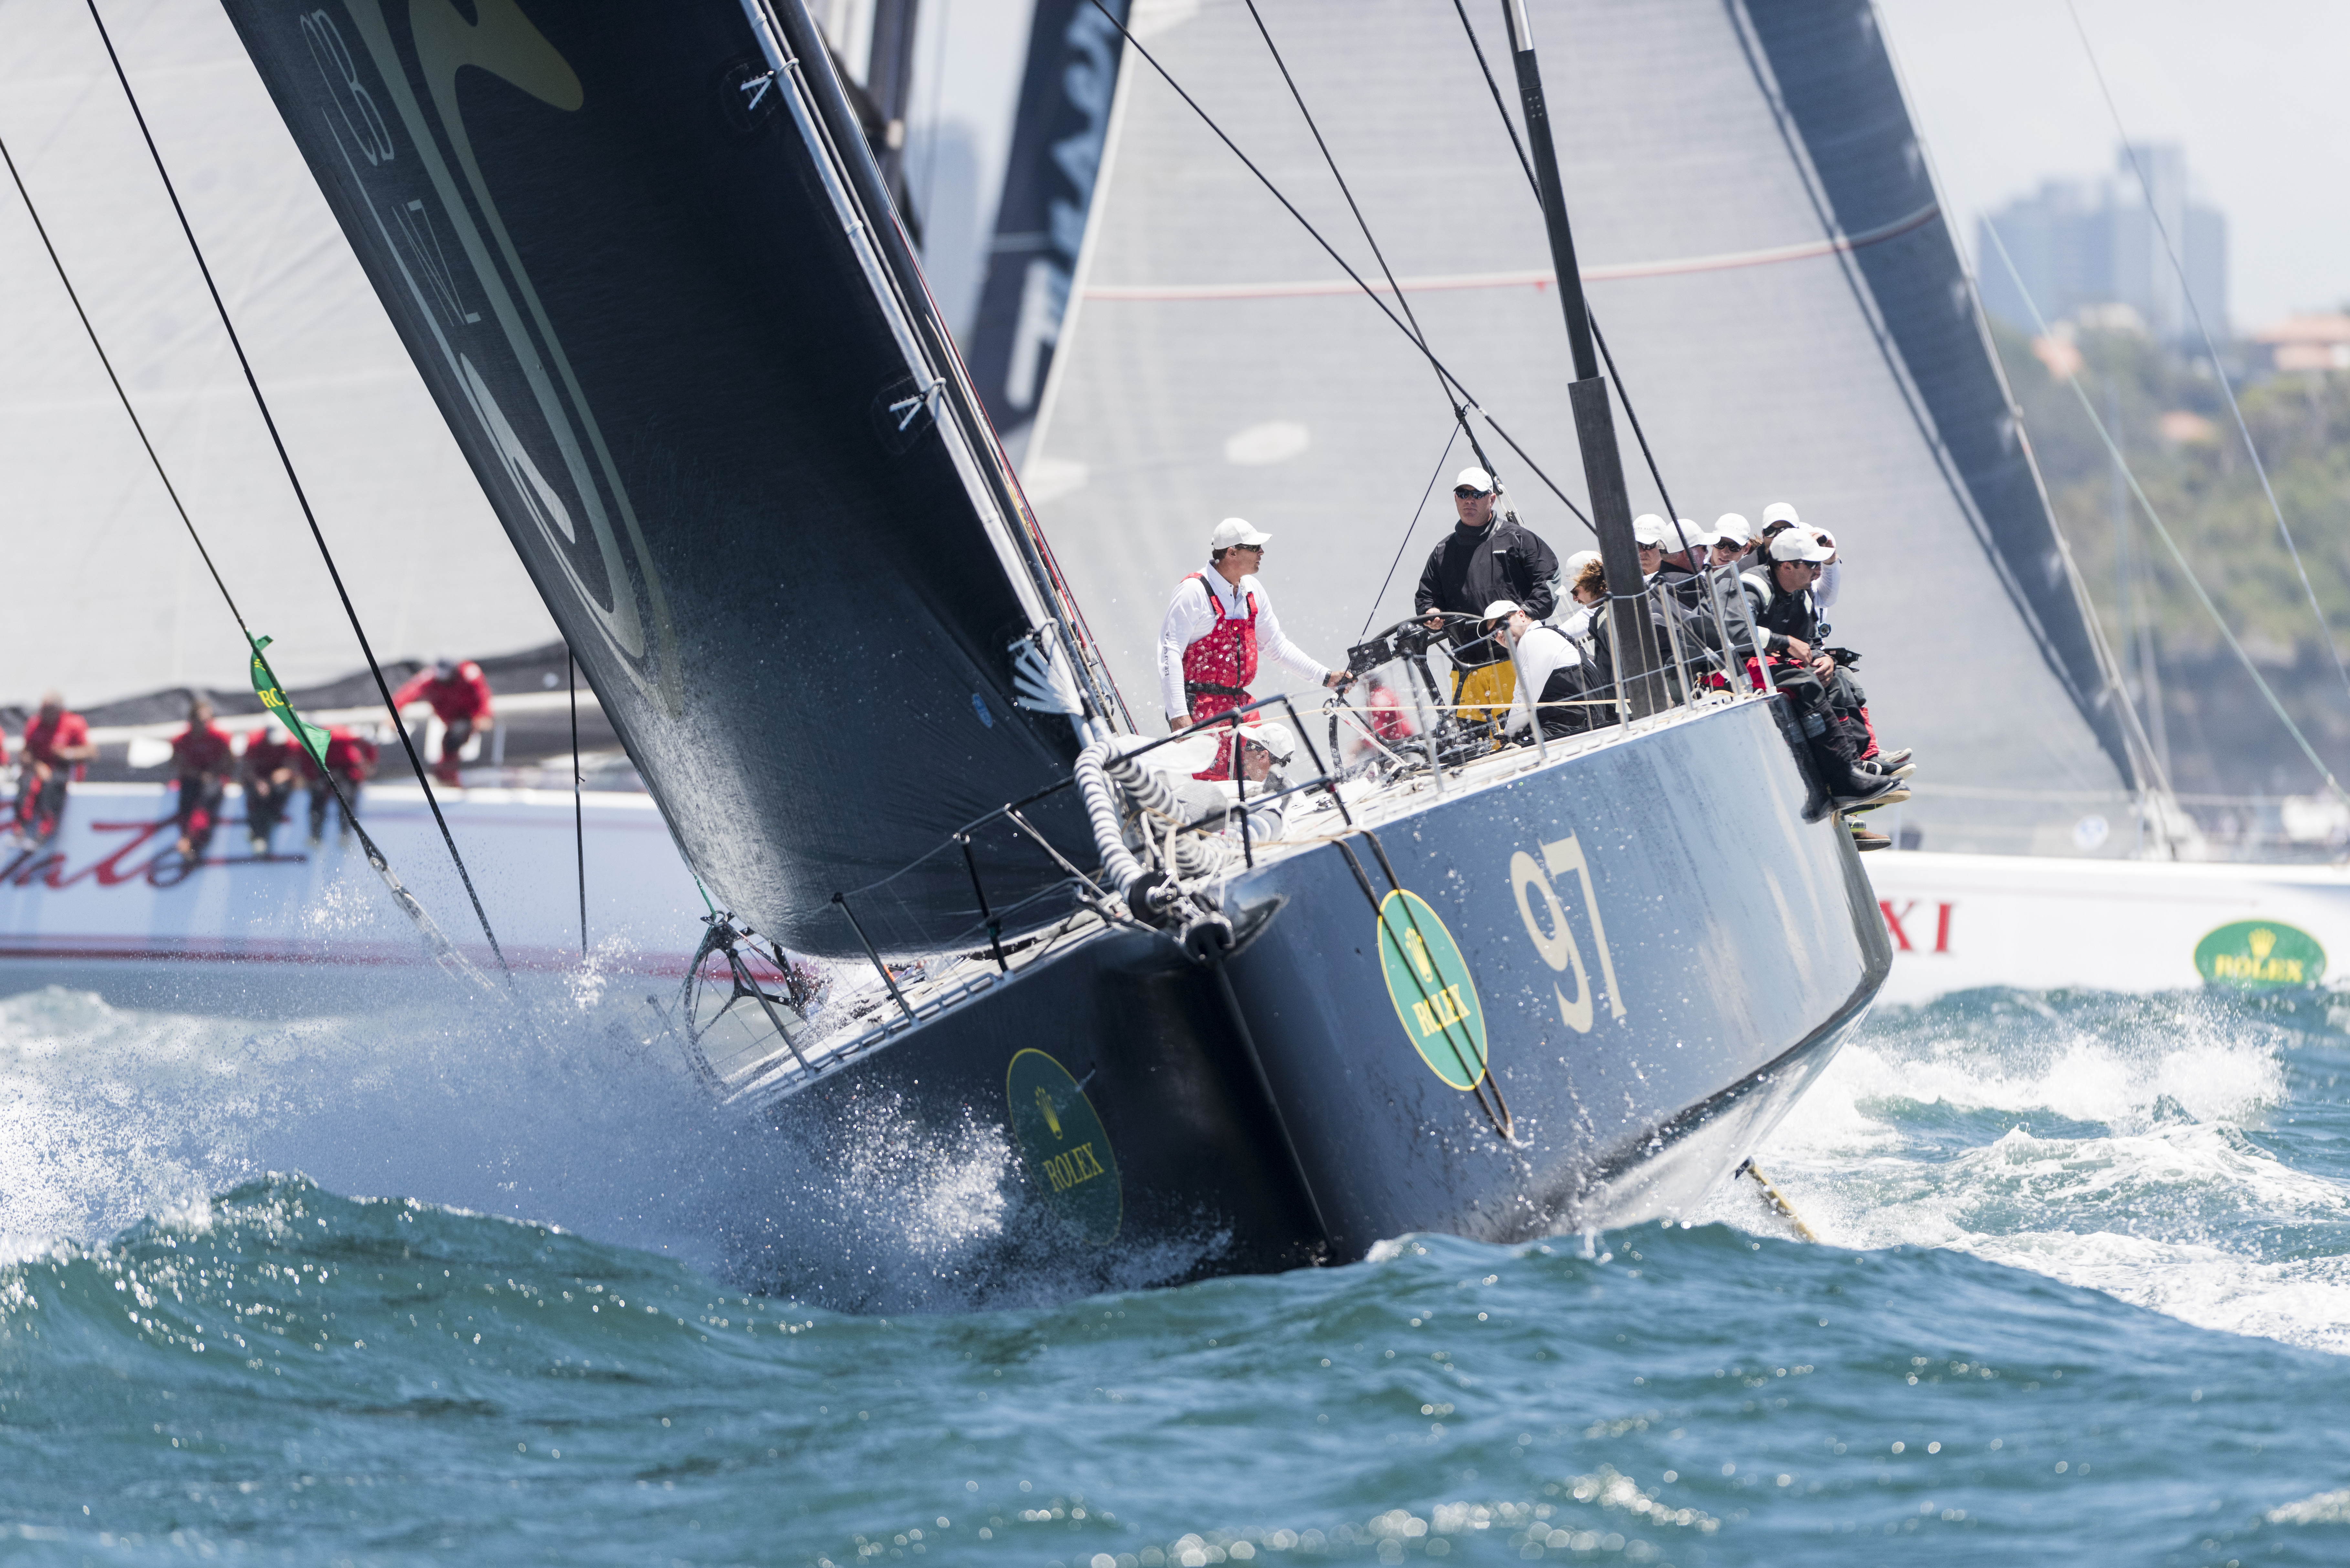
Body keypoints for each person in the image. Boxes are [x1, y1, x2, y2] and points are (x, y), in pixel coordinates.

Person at [1158, 517, 1347, 779]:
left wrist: (1326, 677)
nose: (1262, 553)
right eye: (1254, 547)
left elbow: (1276, 646)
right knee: (1216, 794)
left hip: (1242, 708)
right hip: (1203, 712)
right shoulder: (1193, 592)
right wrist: (1179, 716)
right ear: (1231, 552)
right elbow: (1169, 652)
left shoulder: (1252, 589)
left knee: (1257, 783)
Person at [1416, 467, 1559, 725]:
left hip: (1514, 660)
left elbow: (1550, 583)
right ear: (1456, 498)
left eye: (1477, 494)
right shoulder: (1442, 552)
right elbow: (1427, 598)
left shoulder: (1518, 538)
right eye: (1462, 494)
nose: (1469, 500)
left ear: (1491, 499)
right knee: (1473, 746)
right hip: (1465, 667)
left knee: (1518, 735)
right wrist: (1430, 614)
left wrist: (1523, 616)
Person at [1485, 600, 1593, 744]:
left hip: (1571, 728)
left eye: (1501, 624)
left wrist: (1508, 735)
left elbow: (1524, 701)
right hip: (1580, 723)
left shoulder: (1532, 640)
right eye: (1493, 633)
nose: (1499, 633)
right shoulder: (1548, 633)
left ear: (1521, 615)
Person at [392, 658, 495, 786]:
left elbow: (482, 694)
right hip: (449, 718)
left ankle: (448, 778)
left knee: (453, 740)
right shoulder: (430, 678)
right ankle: (446, 778)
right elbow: (409, 692)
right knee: (450, 744)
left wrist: (485, 715)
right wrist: (394, 713)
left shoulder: (469, 674)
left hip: (468, 716)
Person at [15, 692, 96, 847]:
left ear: (59, 710)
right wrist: (37, 766)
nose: (43, 714)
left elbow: (92, 753)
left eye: (48, 710)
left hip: (64, 770)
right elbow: (25, 753)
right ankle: (21, 829)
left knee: (53, 784)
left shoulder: (74, 723)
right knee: (25, 783)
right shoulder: (35, 723)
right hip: (39, 769)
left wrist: (67, 753)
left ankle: (45, 832)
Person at [169, 697, 236, 861]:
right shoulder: (181, 740)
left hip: (214, 778)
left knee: (207, 802)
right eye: (201, 721)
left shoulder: (220, 737)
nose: (205, 725)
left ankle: (192, 841)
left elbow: (229, 762)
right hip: (192, 778)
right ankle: (188, 840)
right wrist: (198, 775)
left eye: (208, 721)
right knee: (187, 799)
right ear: (192, 721)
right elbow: (177, 764)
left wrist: (212, 774)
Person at [301, 726, 380, 843]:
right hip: (325, 772)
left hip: (346, 774)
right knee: (318, 797)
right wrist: (311, 778)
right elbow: (306, 759)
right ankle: (315, 835)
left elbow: (369, 757)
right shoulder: (320, 738)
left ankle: (345, 834)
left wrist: (364, 770)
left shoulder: (353, 738)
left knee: (347, 798)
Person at [242, 724, 303, 854]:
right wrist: (259, 782)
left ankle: (260, 833)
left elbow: (293, 767)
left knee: (278, 794)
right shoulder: (255, 742)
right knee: (255, 796)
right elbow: (247, 768)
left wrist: (283, 774)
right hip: (259, 780)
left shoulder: (289, 742)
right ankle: (258, 832)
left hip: (277, 783)